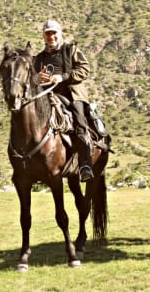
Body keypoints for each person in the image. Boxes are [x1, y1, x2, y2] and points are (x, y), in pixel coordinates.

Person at [34, 20, 94, 182]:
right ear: (44, 36)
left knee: (79, 122)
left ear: (59, 33)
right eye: (48, 33)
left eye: (54, 33)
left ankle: (85, 165)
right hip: (47, 98)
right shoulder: (38, 59)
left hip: (72, 95)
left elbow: (84, 69)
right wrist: (36, 77)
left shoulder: (71, 50)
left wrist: (63, 77)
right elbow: (29, 79)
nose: (51, 36)